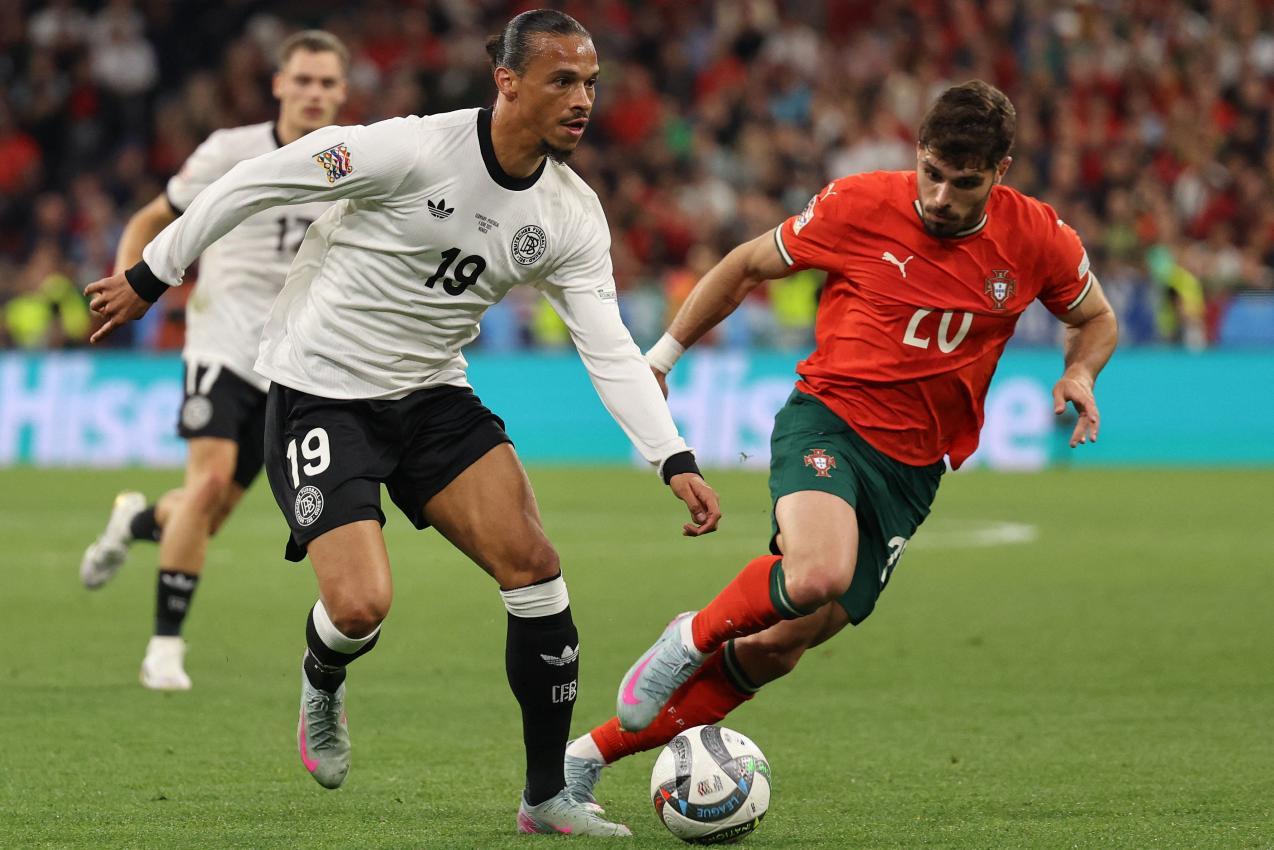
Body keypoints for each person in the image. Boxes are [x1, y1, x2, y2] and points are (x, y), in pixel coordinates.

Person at [85, 9, 720, 838]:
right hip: (320, 391)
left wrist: (671, 456)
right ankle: (322, 677)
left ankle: (545, 795)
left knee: (534, 566)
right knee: (360, 607)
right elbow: (257, 181)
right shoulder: (410, 149)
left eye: (591, 83)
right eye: (562, 80)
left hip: (431, 395)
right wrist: (150, 271)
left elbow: (607, 346)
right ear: (508, 82)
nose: (582, 100)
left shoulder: (570, 213)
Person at [561, 81, 1119, 808]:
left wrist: (1080, 368)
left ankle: (585, 758)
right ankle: (688, 637)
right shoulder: (859, 204)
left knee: (777, 648)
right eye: (932, 173)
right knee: (818, 572)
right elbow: (743, 267)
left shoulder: (1039, 237)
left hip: (913, 471)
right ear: (918, 155)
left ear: (1001, 171)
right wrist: (660, 360)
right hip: (828, 420)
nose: (942, 196)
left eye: (965, 182)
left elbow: (1097, 317)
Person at [79, 31, 351, 692]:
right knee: (206, 484)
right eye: (304, 80)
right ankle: (164, 648)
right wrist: (128, 286)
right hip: (221, 341)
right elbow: (149, 219)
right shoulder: (230, 151)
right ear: (278, 84)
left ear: (342, 92)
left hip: (292, 360)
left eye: (327, 84)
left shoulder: (353, 160)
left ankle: (134, 522)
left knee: (208, 511)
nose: (314, 93)